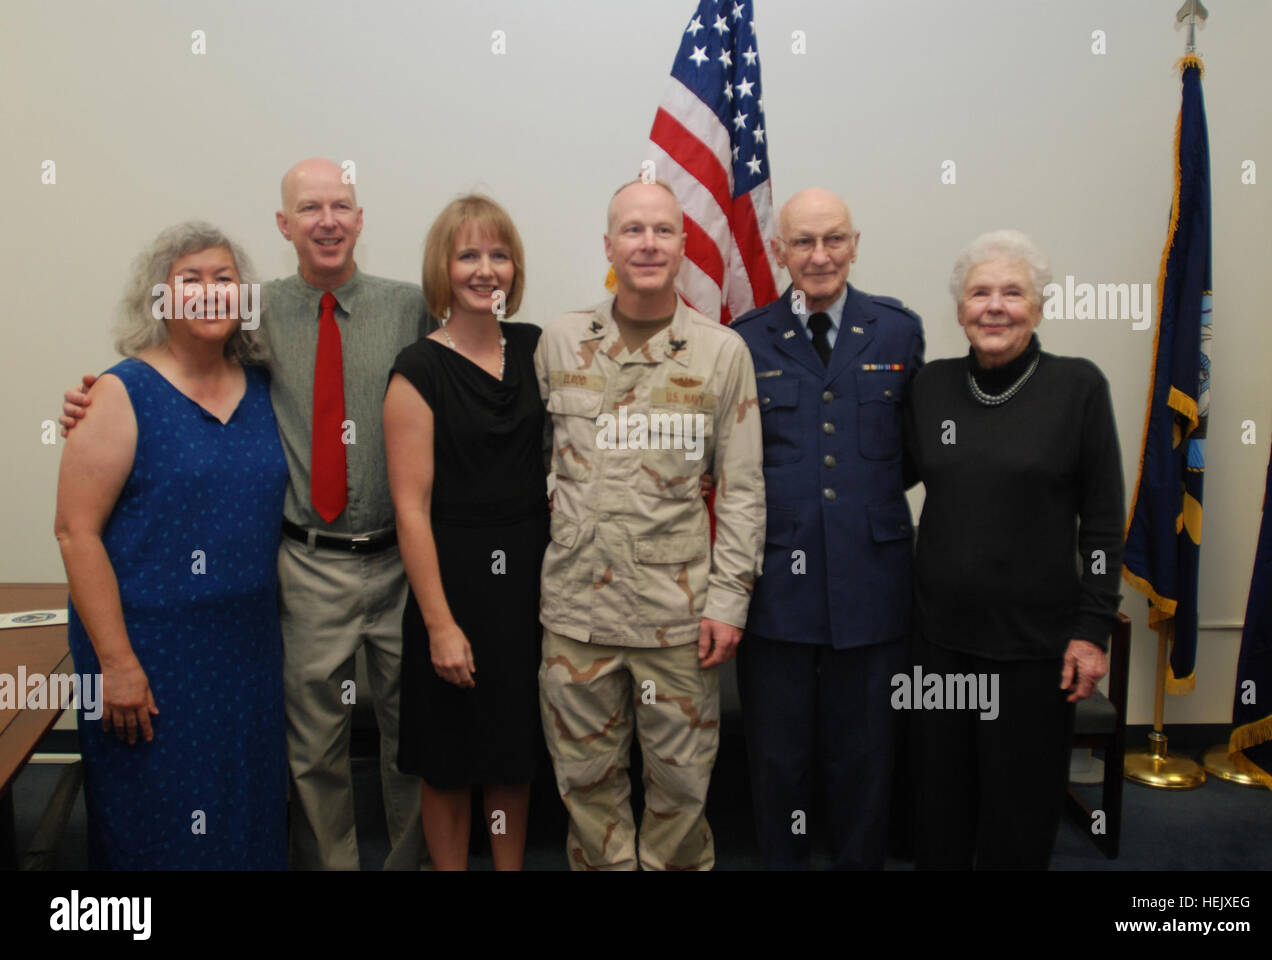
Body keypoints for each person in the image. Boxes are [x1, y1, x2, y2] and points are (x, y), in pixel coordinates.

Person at [62, 159, 430, 870]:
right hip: (295, 572)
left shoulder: (401, 309)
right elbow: (87, 508)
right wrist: (90, 399)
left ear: (360, 218)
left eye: (342, 205)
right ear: (283, 224)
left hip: (380, 567)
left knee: (409, 742)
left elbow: (462, 373)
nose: (327, 220)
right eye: (309, 207)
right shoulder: (245, 319)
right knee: (309, 758)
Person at [535, 179, 765, 870]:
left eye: (663, 231)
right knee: (584, 786)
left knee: (682, 792)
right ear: (609, 245)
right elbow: (537, 465)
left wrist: (729, 603)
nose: (647, 243)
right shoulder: (561, 341)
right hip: (577, 614)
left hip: (678, 616)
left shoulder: (721, 353)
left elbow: (745, 490)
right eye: (632, 230)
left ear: (683, 246)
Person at [54, 222, 288, 869]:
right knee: (158, 820)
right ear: (160, 298)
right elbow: (77, 533)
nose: (210, 293)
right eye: (191, 280)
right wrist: (117, 663)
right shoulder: (117, 395)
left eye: (224, 279)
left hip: (246, 649)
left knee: (247, 809)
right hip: (149, 652)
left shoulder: (267, 387)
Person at [904, 229, 1124, 869]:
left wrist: (1092, 630)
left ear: (1038, 305)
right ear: (960, 308)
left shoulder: (1077, 388)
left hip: (1036, 650)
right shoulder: (932, 388)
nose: (994, 306)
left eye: (1012, 292)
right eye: (979, 292)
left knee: (1018, 817)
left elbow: (1105, 522)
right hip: (938, 643)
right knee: (938, 811)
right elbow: (877, 477)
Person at [730, 187, 924, 870]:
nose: (820, 257)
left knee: (864, 757)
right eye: (803, 243)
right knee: (779, 761)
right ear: (779, 252)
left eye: (834, 239)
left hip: (871, 582)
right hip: (777, 586)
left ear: (855, 243)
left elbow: (909, 453)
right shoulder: (746, 339)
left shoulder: (898, 331)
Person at [384, 195, 547, 869]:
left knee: (512, 750)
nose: (487, 269)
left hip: (530, 583)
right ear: (443, 269)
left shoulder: (538, 349)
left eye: (499, 254)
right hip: (450, 581)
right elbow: (411, 508)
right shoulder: (417, 369)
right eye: (469, 255)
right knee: (448, 760)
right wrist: (440, 624)